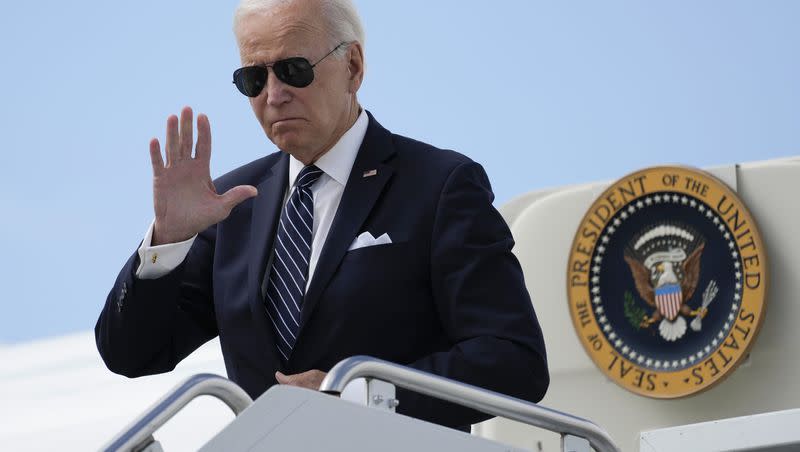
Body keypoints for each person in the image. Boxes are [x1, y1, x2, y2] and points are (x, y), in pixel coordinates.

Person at [95, 0, 548, 431]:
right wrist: (167, 241)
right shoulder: (232, 204)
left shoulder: (439, 185)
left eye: (294, 70)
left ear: (353, 67)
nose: (274, 95)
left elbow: (513, 360)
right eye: (254, 78)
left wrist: (355, 393)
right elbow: (131, 354)